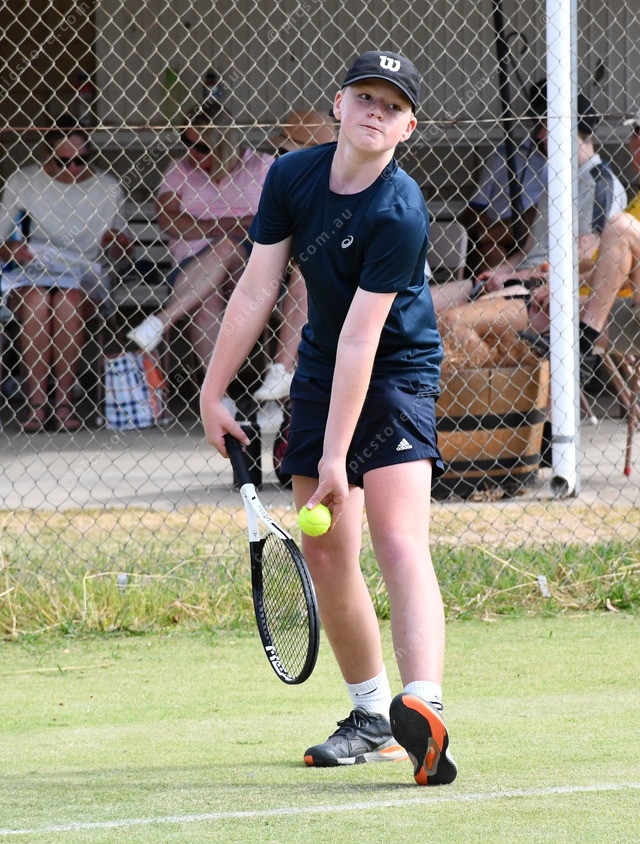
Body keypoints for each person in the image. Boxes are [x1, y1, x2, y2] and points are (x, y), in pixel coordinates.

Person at [201, 50, 457, 787]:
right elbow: (258, 287)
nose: (376, 111)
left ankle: (424, 707)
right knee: (325, 550)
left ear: (408, 128)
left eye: (392, 106)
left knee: (398, 538)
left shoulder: (400, 209)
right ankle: (372, 716)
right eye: (365, 97)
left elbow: (362, 339)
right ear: (338, 105)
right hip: (320, 370)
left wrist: (339, 459)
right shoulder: (290, 176)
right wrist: (214, 392)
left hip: (397, 370)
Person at [435, 90, 628, 356]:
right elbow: (528, 249)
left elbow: (584, 259)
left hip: (543, 288)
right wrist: (500, 271)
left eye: (545, 126)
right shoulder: (557, 181)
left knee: (449, 321)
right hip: (517, 279)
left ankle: (498, 379)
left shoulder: (599, 184)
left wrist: (515, 277)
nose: (539, 136)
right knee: (418, 306)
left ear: (567, 128)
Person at [0, 124, 129, 431]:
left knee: (67, 300)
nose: (73, 168)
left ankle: (63, 403)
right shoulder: (24, 181)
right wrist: (12, 249)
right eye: (63, 161)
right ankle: (37, 405)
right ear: (47, 155)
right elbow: (1, 242)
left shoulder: (107, 187)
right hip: (32, 274)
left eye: (81, 160)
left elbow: (122, 249)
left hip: (82, 277)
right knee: (38, 299)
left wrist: (117, 242)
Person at [126, 105, 276, 370]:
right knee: (207, 301)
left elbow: (274, 218)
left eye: (202, 147)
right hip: (192, 265)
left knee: (227, 246)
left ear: (224, 146)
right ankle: (219, 392)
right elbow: (168, 219)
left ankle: (161, 321)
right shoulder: (179, 168)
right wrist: (226, 225)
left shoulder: (261, 164)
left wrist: (203, 226)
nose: (191, 153)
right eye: (187, 141)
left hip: (251, 265)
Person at [254, 109, 336, 403]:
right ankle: (280, 382)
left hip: (366, 279)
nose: (279, 159)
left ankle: (282, 373)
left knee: (304, 274)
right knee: (302, 275)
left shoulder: (337, 180)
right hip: (315, 276)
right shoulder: (292, 183)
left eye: (285, 152)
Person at [460, 79, 548, 275]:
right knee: (492, 252)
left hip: (544, 238)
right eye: (542, 117)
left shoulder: (571, 164)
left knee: (539, 210)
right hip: (500, 241)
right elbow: (474, 208)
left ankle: (486, 236)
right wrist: (487, 229)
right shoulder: (507, 155)